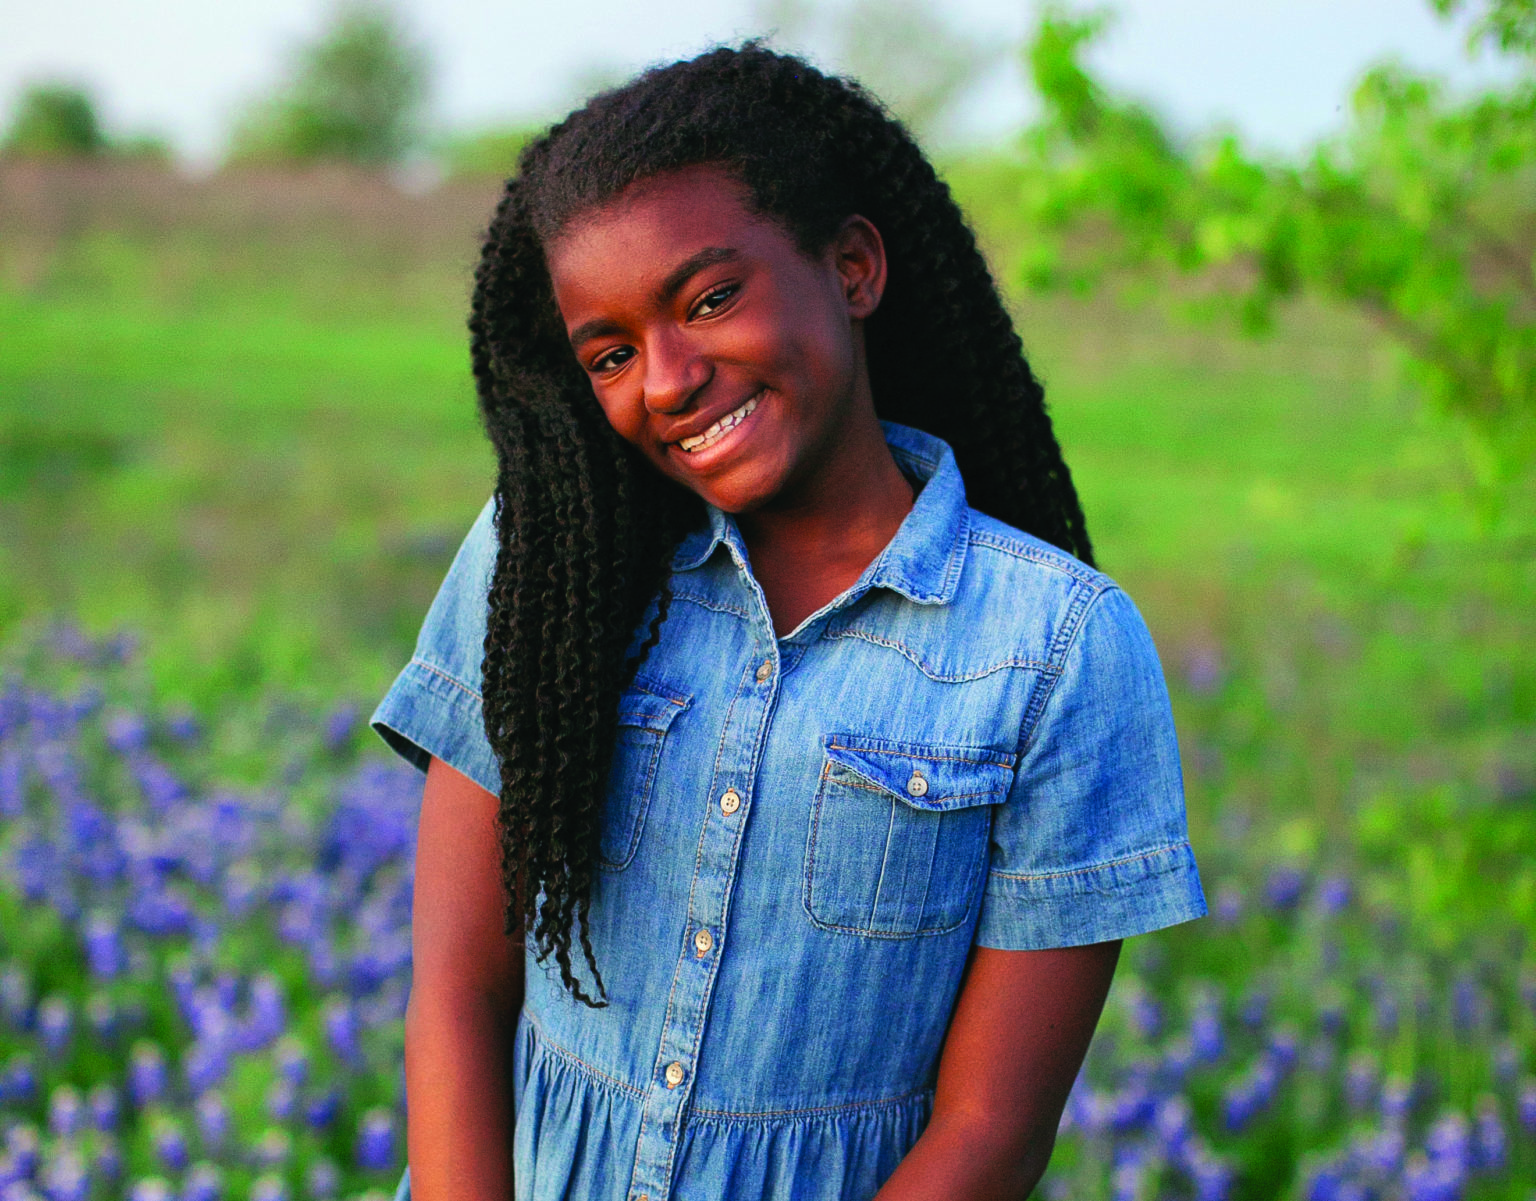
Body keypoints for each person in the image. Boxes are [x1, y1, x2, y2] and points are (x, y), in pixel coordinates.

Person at [370, 43, 1206, 1201]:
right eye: (611, 354)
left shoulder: (1059, 645)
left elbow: (990, 1132)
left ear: (852, 267)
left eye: (711, 299)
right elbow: (460, 997)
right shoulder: (547, 564)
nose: (666, 378)